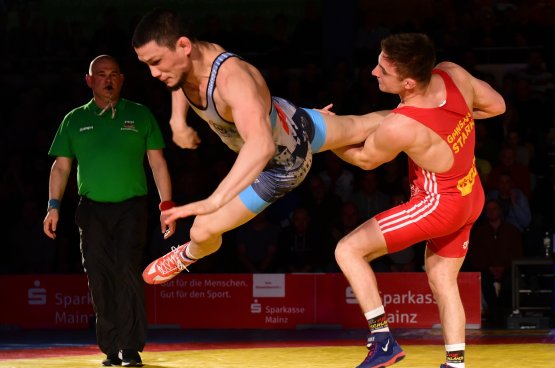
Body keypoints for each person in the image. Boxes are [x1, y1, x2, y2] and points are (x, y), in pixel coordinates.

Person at [131, 8, 387, 285]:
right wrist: (177, 120)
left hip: (280, 166)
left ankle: (187, 255)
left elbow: (262, 146)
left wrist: (214, 201)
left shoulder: (231, 81)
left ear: (183, 45)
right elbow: (179, 79)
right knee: (364, 125)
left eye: (156, 62)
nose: (154, 73)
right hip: (290, 117)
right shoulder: (188, 62)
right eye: (147, 64)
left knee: (202, 231)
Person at [331, 33, 506, 368]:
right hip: (470, 192)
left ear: (407, 82)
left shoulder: (402, 124)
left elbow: (364, 159)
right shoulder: (452, 73)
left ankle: (382, 339)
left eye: (383, 68)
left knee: (348, 250)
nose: (374, 70)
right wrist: (454, 125)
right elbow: (497, 106)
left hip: (438, 204)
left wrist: (326, 141)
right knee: (442, 279)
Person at [42, 55, 175, 367]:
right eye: (100, 74)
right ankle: (110, 348)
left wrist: (166, 206)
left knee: (127, 270)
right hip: (91, 210)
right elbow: (61, 167)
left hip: (132, 208)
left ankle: (130, 348)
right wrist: (53, 207)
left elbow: (157, 162)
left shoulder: (140, 115)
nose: (108, 79)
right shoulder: (74, 120)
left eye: (113, 74)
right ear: (90, 80)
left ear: (122, 79)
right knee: (98, 274)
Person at [467, 199, 523, 326]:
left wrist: (503, 266)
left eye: (494, 208)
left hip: (507, 268)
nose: (491, 212)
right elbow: (475, 254)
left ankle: (504, 312)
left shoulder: (511, 230)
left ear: (500, 211)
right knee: (484, 281)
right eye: (488, 209)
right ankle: (493, 313)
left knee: (510, 281)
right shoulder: (479, 232)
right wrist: (489, 267)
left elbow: (517, 253)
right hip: (487, 269)